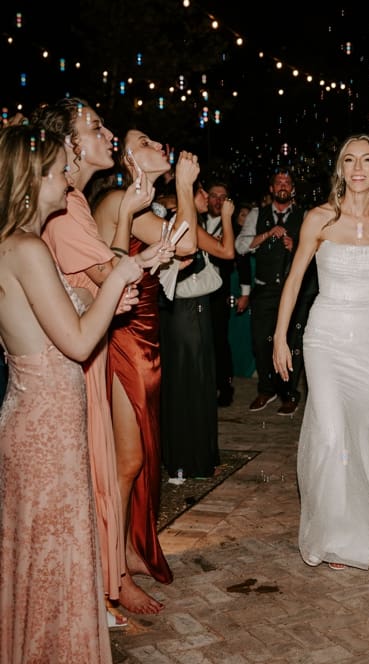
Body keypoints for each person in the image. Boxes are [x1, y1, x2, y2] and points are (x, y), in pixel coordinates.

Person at [0, 122, 164, 663]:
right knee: (55, 555)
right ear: (33, 181)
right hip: (46, 427)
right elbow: (75, 342)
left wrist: (114, 288)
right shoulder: (26, 248)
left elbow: (58, 319)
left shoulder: (15, 245)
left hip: (43, 418)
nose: (66, 178)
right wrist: (118, 279)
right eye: (56, 171)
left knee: (47, 555)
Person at [274, 134, 369, 571]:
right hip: (324, 335)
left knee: (358, 433)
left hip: (368, 338)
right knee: (330, 433)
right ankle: (330, 533)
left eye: (367, 160)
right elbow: (294, 281)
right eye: (349, 160)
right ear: (340, 169)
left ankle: (353, 530)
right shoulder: (319, 219)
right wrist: (280, 337)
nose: (358, 168)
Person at [92, 129, 208, 589]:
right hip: (123, 336)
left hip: (144, 335)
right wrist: (185, 184)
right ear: (126, 161)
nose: (158, 145)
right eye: (144, 142)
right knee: (126, 460)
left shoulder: (141, 207)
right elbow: (187, 245)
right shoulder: (119, 201)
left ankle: (126, 549)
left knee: (137, 456)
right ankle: (112, 572)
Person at [161, 170, 234, 488]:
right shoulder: (187, 224)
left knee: (187, 383)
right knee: (192, 383)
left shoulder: (174, 219)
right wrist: (227, 218)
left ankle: (188, 459)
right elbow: (227, 251)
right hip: (188, 313)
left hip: (183, 311)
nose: (207, 198)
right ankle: (190, 461)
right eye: (202, 192)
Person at [237, 169, 312, 416]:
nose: (283, 185)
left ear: (293, 189)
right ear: (271, 188)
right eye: (278, 182)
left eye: (287, 182)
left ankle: (289, 394)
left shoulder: (305, 216)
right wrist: (268, 234)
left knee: (292, 341)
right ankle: (266, 390)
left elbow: (316, 250)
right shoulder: (257, 214)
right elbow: (240, 246)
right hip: (264, 289)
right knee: (261, 341)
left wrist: (296, 247)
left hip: (293, 290)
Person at [202, 180, 238, 407]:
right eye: (214, 196)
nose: (218, 200)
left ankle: (225, 388)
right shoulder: (196, 220)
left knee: (219, 340)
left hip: (218, 292)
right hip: (194, 290)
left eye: (222, 197)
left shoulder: (231, 225)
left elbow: (237, 258)